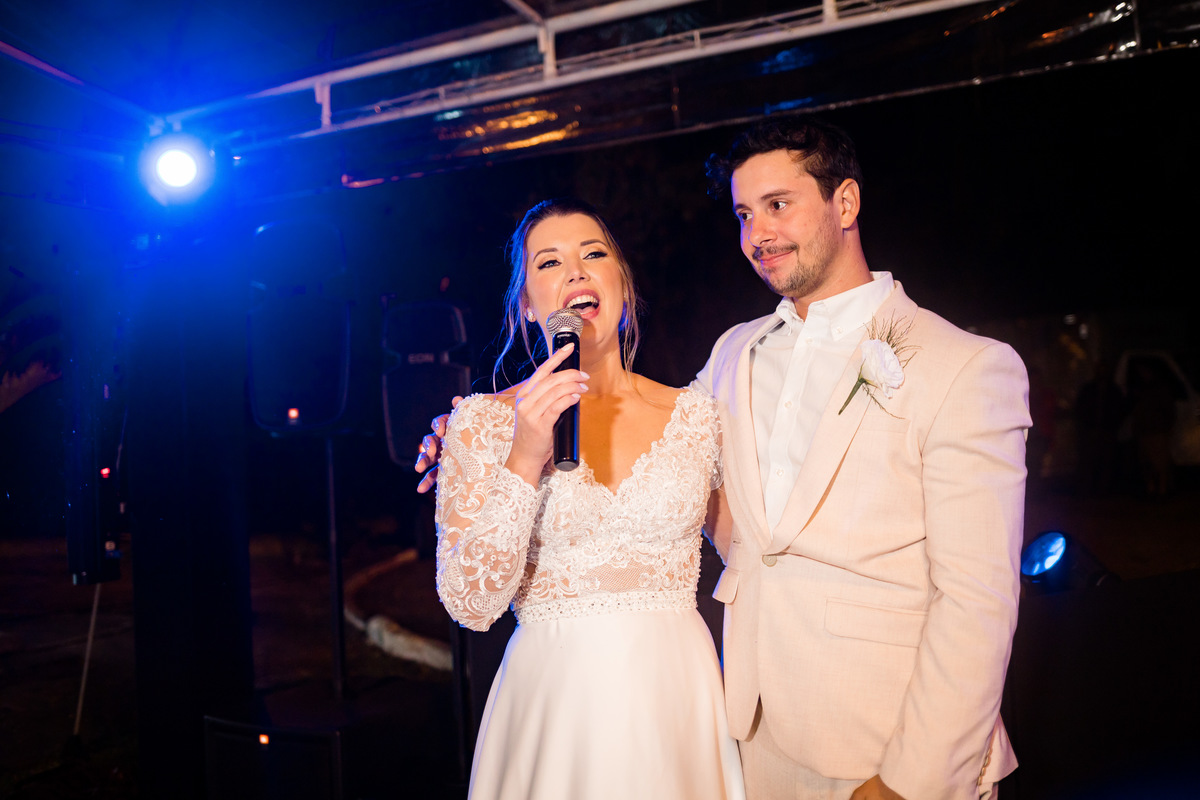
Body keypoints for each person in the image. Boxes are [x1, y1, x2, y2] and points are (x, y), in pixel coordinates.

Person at [419, 118, 1030, 800]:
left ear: (846, 204)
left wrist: (914, 778)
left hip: (887, 740)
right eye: (744, 214)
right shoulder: (732, 360)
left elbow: (979, 601)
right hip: (749, 736)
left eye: (778, 205)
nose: (758, 233)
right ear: (526, 303)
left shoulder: (964, 366)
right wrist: (477, 441)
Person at [431, 197, 745, 800]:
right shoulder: (481, 424)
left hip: (676, 703)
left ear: (621, 286)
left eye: (592, 254)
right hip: (556, 704)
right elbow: (471, 604)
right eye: (549, 263)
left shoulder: (696, 415)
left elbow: (749, 553)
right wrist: (524, 455)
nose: (575, 272)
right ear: (526, 307)